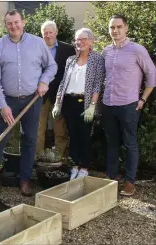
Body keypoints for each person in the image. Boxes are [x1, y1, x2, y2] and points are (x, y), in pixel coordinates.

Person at [0, 9, 57, 196]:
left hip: (32, 99)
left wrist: (44, 81)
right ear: (5, 25)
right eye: (9, 23)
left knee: (30, 140)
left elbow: (52, 66)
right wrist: (2, 105)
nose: (13, 26)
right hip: (8, 101)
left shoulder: (37, 43)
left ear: (23, 22)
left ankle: (24, 179)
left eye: (16, 22)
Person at [102, 14, 155, 196]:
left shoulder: (137, 50)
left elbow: (152, 75)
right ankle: (110, 179)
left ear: (126, 29)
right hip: (108, 104)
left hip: (129, 105)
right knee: (111, 143)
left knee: (130, 143)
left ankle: (130, 182)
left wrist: (143, 99)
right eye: (112, 28)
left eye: (118, 27)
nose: (115, 31)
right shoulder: (106, 51)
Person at [52, 28, 106, 180]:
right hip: (69, 102)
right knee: (72, 135)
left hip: (85, 103)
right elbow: (63, 83)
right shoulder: (71, 60)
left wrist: (92, 106)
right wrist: (57, 103)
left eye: (83, 39)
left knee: (84, 135)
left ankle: (84, 167)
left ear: (90, 41)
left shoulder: (97, 59)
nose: (79, 42)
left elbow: (97, 84)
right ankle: (74, 165)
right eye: (77, 39)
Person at [36, 20, 76, 156]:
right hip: (39, 95)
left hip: (60, 95)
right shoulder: (36, 48)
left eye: (50, 32)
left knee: (60, 130)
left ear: (56, 32)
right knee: (38, 130)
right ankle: (37, 159)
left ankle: (60, 159)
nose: (48, 35)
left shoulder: (69, 49)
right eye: (45, 33)